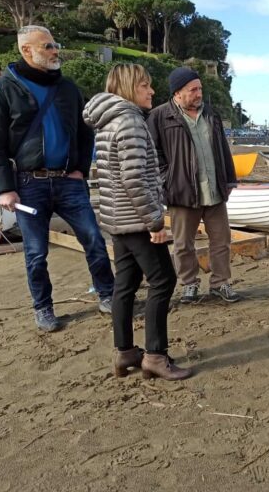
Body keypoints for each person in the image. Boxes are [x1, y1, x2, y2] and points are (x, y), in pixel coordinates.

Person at [0, 25, 114, 333]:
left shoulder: (68, 88)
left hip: (70, 181)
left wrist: (81, 167)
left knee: (94, 239)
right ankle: (43, 308)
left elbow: (85, 132)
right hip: (29, 183)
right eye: (47, 46)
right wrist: (5, 188)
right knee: (36, 253)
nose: (56, 50)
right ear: (26, 50)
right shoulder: (4, 88)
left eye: (56, 44)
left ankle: (108, 294)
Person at [83, 64, 192, 381]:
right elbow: (133, 179)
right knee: (163, 281)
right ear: (131, 88)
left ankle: (125, 351)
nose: (152, 91)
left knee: (125, 285)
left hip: (117, 219)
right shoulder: (129, 122)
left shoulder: (107, 122)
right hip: (136, 220)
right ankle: (155, 355)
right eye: (145, 85)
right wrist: (155, 222)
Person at [147, 67, 240, 305]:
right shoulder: (160, 116)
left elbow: (222, 149)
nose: (199, 94)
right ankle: (189, 284)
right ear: (177, 93)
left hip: (215, 190)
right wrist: (167, 179)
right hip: (182, 192)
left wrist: (229, 179)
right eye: (193, 90)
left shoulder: (211, 114)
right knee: (183, 243)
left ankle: (221, 283)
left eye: (200, 88)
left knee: (221, 240)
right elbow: (152, 154)